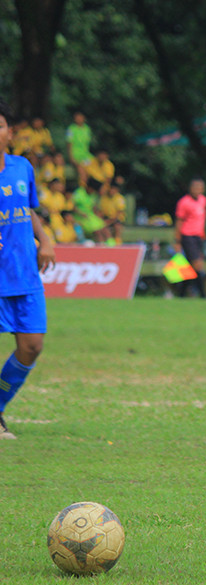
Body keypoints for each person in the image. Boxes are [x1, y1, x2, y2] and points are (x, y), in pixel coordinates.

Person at [0, 99, 56, 439]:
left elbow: (29, 210)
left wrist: (45, 240)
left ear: (9, 131)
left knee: (32, 345)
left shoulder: (22, 167)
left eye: (0, 124)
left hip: (24, 274)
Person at [174, 177, 206, 298]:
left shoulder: (203, 200)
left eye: (200, 187)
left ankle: (181, 295)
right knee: (198, 265)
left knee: (191, 267)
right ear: (190, 188)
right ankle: (204, 295)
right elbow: (179, 221)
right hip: (188, 236)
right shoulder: (184, 202)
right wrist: (177, 241)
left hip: (198, 237)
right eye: (195, 187)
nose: (197, 189)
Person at [65, 111, 94, 184]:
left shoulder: (87, 129)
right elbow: (69, 143)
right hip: (76, 155)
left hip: (85, 155)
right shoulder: (71, 129)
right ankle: (83, 187)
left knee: (93, 168)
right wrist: (71, 157)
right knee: (82, 172)